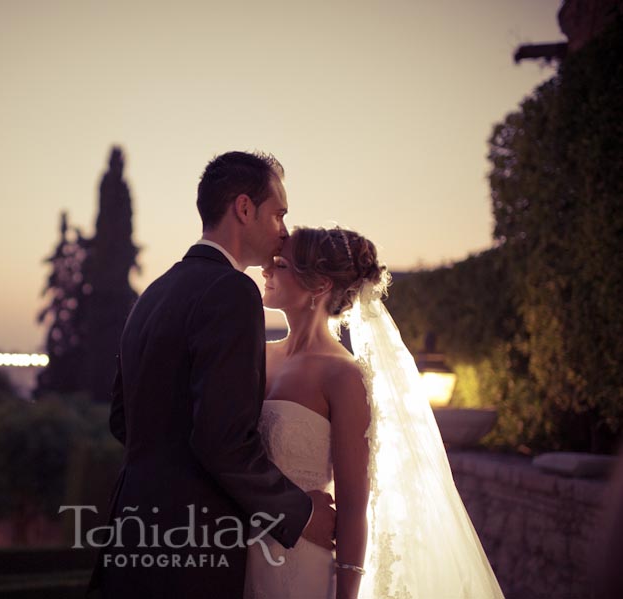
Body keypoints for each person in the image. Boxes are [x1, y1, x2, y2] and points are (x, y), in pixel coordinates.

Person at [88, 152, 336, 599]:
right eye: (279, 213)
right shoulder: (233, 292)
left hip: (130, 532)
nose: (283, 229)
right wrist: (299, 511)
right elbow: (222, 440)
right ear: (244, 208)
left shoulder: (154, 292)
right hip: (195, 549)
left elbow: (122, 420)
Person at [246, 226, 505, 599]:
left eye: (280, 265)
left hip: (300, 564)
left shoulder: (343, 375)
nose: (266, 271)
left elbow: (353, 507)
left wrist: (347, 593)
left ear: (318, 285)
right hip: (238, 552)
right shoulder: (256, 355)